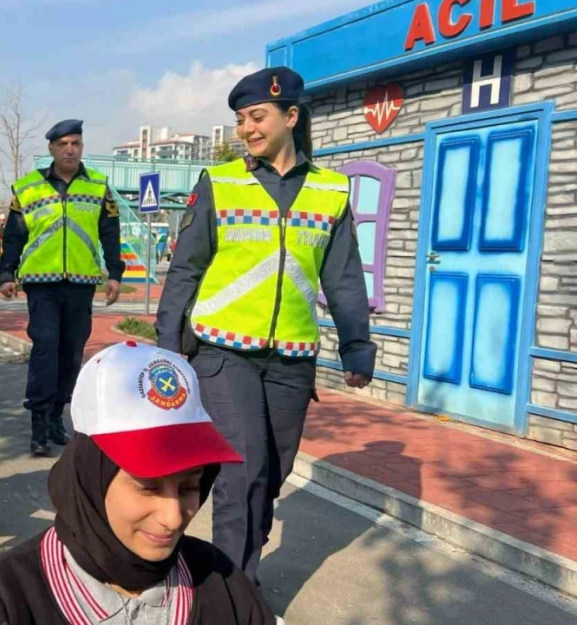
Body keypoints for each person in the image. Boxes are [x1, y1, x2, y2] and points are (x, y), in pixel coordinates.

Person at [154, 66, 376, 584]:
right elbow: (186, 268)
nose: (247, 129)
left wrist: (357, 347)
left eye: (257, 117)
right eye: (240, 119)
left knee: (271, 474)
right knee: (243, 471)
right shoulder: (221, 184)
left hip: (292, 359)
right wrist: (167, 348)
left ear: (291, 117)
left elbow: (343, 278)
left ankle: (210, 567)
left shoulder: (331, 192)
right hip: (222, 352)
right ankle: (235, 590)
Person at [0, 342, 275, 625]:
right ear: (90, 475)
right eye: (148, 486)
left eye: (189, 487)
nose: (173, 518)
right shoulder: (10, 598)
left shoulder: (221, 583)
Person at [0, 119, 125, 457]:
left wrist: (114, 273)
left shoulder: (99, 186)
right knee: (46, 349)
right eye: (63, 144)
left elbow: (110, 233)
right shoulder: (28, 187)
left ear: (82, 147)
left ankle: (57, 417)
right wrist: (6, 272)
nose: (70, 149)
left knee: (71, 354)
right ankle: (39, 424)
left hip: (82, 283)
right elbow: (14, 234)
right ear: (51, 149)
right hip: (42, 283)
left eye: (76, 143)